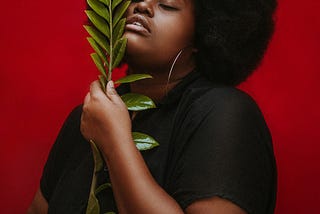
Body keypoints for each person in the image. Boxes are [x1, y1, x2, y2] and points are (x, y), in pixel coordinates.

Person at [28, 0, 277, 213]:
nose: (143, 6)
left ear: (204, 32)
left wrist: (115, 142)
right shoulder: (86, 118)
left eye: (167, 5)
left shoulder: (226, 114)